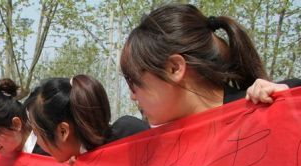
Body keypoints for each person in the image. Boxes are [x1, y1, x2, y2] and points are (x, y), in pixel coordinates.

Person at [119, 3, 300, 127]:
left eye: (132, 80)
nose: (133, 97)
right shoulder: (158, 147)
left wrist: (289, 108)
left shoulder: (271, 109)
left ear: (174, 68)